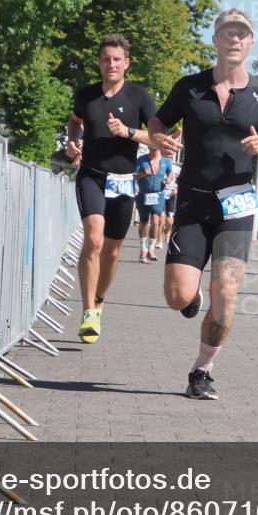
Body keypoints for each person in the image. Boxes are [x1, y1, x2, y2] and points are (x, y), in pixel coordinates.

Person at [149, 8, 258, 400]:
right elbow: (157, 123)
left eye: (242, 34)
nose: (234, 39)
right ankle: (193, 297)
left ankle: (202, 370)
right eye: (227, 33)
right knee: (177, 296)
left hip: (237, 207)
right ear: (215, 40)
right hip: (193, 204)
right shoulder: (190, 88)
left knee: (227, 291)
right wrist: (159, 140)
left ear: (251, 44)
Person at [66, 34, 158, 343]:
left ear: (127, 63)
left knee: (113, 252)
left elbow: (158, 137)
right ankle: (88, 310)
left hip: (123, 180)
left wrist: (129, 132)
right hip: (91, 175)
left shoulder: (139, 97)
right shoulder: (86, 95)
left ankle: (101, 298)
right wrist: (72, 140)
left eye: (117, 59)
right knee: (93, 239)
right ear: (99, 62)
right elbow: (75, 120)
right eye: (106, 59)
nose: (111, 64)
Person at [135, 146, 173, 262]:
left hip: (158, 195)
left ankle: (151, 249)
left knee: (156, 222)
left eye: (156, 148)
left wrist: (169, 179)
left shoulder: (165, 161)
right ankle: (143, 249)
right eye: (152, 148)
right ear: (148, 147)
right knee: (144, 222)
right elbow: (135, 176)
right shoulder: (142, 160)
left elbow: (170, 172)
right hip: (143, 194)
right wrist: (143, 173)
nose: (154, 149)